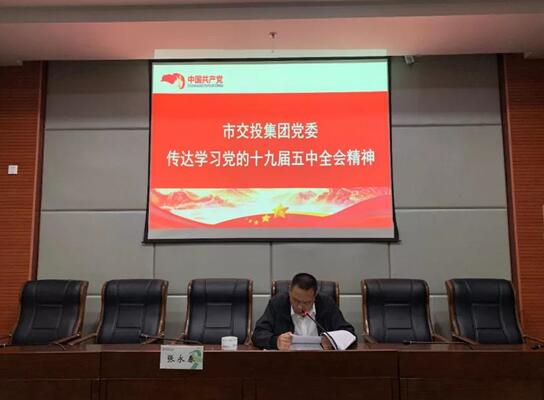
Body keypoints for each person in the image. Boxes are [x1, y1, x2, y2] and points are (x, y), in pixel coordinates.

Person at [252, 273, 356, 350]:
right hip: (286, 362)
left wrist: (333, 340)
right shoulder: (278, 303)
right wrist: (276, 341)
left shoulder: (326, 304)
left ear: (315, 297)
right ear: (289, 292)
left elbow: (349, 333)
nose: (300, 307)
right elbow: (258, 334)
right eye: (295, 300)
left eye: (306, 302)